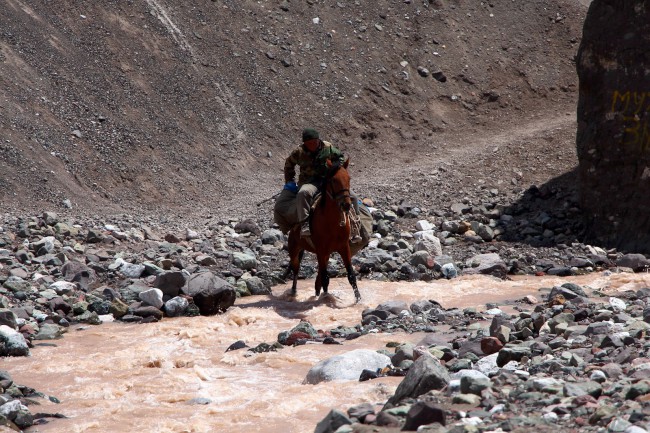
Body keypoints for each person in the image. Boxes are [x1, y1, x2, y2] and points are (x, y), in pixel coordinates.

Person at [284, 128, 361, 242]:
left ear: (318, 140)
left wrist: (335, 169)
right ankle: (304, 223)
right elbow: (289, 165)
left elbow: (340, 157)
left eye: (314, 142)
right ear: (304, 143)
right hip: (309, 181)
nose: (312, 145)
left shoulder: (328, 148)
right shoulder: (298, 152)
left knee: (352, 197)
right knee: (303, 193)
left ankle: (355, 225)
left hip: (327, 179)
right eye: (308, 143)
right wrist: (289, 181)